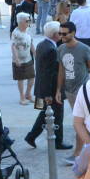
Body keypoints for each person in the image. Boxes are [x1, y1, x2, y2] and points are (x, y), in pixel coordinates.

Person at [25, 21, 72, 150]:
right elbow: (48, 74)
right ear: (54, 34)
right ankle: (58, 142)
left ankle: (31, 136)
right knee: (57, 115)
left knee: (44, 114)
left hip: (42, 88)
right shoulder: (51, 49)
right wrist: (48, 94)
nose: (61, 34)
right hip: (50, 90)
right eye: (60, 32)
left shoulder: (42, 44)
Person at [11, 13, 36, 104]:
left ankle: (28, 94)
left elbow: (31, 43)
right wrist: (16, 58)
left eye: (29, 20)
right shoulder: (16, 33)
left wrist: (35, 53)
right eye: (27, 21)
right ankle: (22, 97)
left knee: (32, 77)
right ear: (20, 22)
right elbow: (13, 46)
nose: (29, 22)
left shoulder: (27, 30)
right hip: (19, 60)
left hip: (28, 59)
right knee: (21, 79)